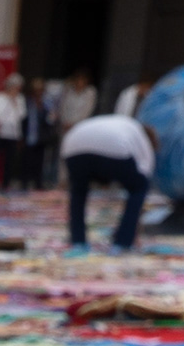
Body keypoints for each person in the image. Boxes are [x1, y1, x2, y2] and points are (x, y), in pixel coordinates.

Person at [60, 101, 153, 251]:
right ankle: (123, 242)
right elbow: (145, 171)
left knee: (78, 191)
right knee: (139, 188)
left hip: (72, 145)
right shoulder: (140, 134)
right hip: (113, 146)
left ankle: (78, 240)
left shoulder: (123, 124)